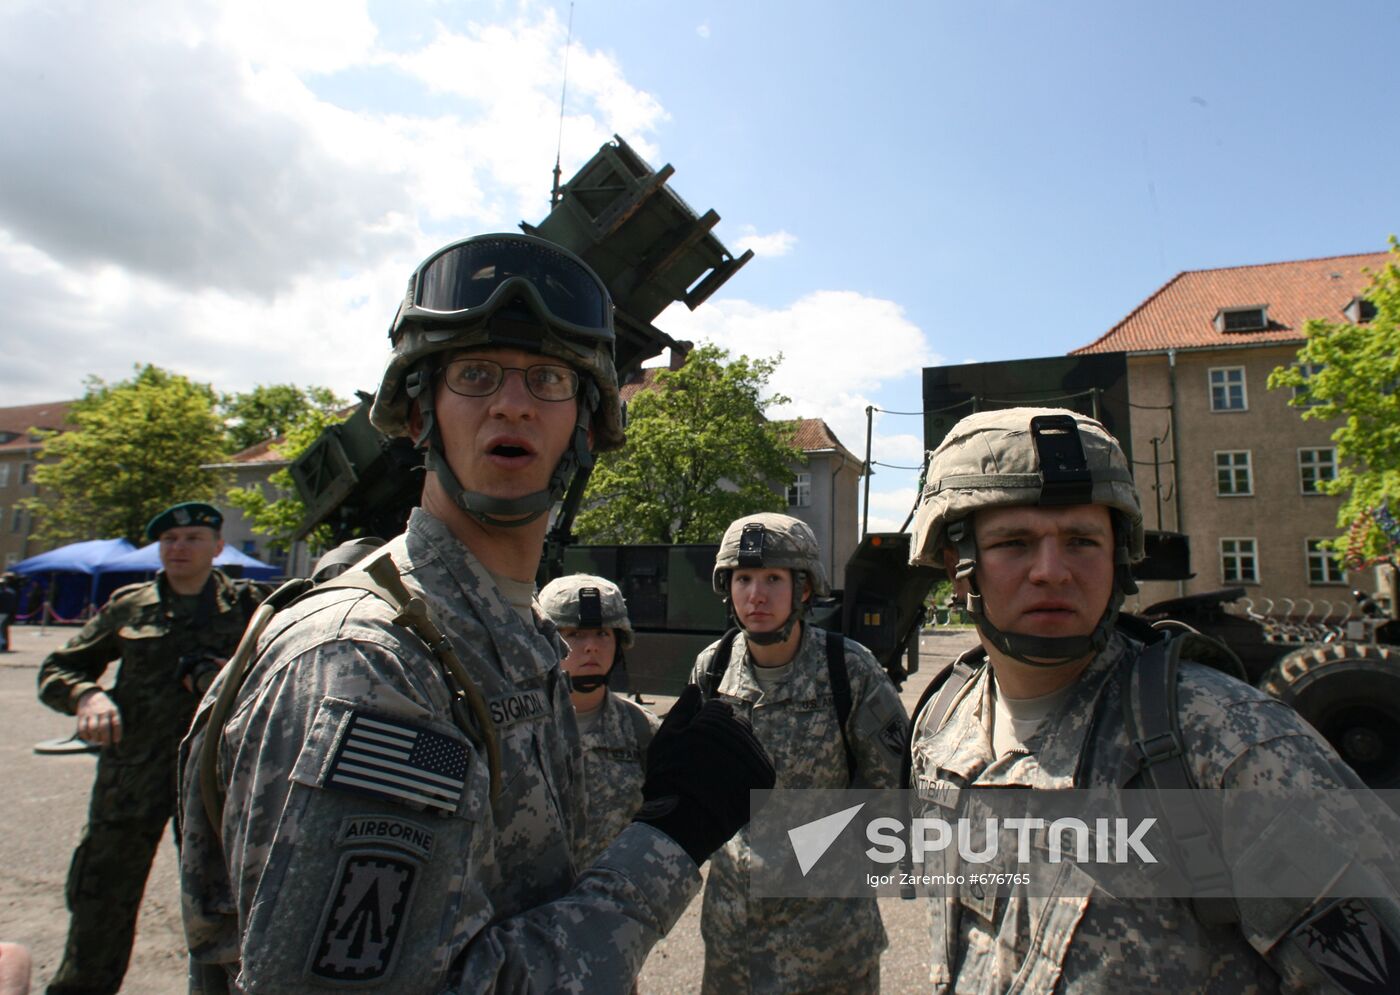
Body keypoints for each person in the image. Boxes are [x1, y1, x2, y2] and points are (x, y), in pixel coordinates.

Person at [178, 233, 774, 994]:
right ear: (421, 412)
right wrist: (665, 842)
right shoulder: (368, 665)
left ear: (587, 428)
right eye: (476, 373)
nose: (512, 401)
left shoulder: (512, 641)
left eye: (549, 378)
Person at [906, 406, 1400, 992]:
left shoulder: (1233, 746)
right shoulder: (944, 722)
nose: (1052, 571)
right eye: (1014, 543)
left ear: (1118, 558)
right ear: (956, 567)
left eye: (1082, 541)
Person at [36, 502, 265, 995]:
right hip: (131, 779)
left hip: (213, 783)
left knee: (225, 905)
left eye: (191, 538)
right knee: (101, 897)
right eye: (170, 540)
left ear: (217, 547)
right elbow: (58, 669)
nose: (178, 548)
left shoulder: (251, 608)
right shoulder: (130, 605)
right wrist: (87, 694)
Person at [691, 512, 909, 993]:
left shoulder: (848, 670)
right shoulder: (713, 669)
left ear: (805, 589)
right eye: (743, 579)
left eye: (773, 578)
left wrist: (814, 855)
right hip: (733, 943)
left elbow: (892, 791)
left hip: (828, 946)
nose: (756, 595)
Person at [539, 573, 661, 868]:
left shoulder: (643, 731)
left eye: (603, 633)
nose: (591, 646)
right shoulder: (519, 731)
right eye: (574, 634)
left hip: (615, 905)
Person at [0, 571, 18, 651]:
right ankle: (4, 644)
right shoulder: (11, 591)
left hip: (2, 612)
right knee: (4, 629)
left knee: (2, 629)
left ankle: (3, 643)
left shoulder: (4, 593)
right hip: (7, 612)